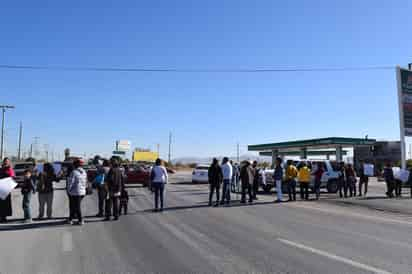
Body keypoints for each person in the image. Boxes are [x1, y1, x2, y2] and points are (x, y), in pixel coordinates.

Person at [67, 159, 87, 225]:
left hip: (75, 192)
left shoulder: (74, 172)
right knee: (74, 206)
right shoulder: (84, 172)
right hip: (82, 192)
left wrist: (68, 190)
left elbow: (71, 183)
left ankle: (81, 220)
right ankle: (70, 219)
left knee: (76, 207)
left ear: (75, 165)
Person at [0, 158, 15, 223]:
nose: (6, 162)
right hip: (1, 187)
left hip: (7, 188)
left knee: (6, 203)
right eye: (5, 161)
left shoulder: (10, 169)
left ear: (9, 162)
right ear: (3, 162)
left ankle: (4, 217)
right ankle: (1, 216)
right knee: (1, 203)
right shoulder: (1, 169)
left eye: (7, 161)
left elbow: (13, 176)